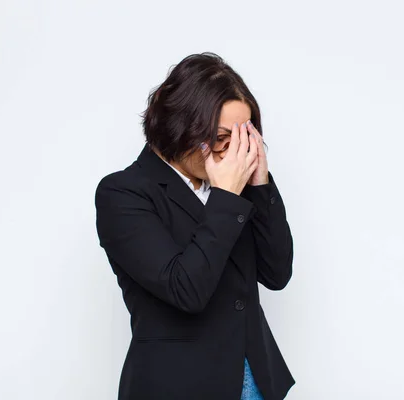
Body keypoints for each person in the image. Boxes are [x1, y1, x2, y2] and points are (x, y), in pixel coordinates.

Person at [94, 52, 295, 400]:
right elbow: (186, 289)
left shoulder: (235, 188)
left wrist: (260, 184)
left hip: (254, 378)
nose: (231, 152)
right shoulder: (123, 192)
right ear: (179, 123)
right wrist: (226, 197)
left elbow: (277, 274)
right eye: (220, 137)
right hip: (177, 385)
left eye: (242, 137)